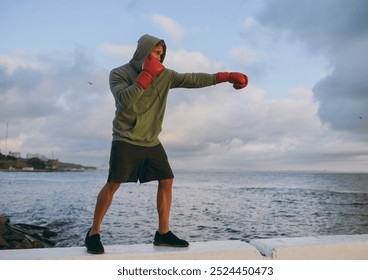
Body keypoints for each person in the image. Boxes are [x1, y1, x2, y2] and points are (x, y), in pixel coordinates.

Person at [85, 34, 248, 254]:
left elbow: (193, 79)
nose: (159, 57)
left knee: (167, 179)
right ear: (143, 51)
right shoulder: (119, 73)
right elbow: (125, 101)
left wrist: (226, 76)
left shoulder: (165, 75)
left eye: (161, 54)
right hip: (125, 137)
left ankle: (162, 233)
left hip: (151, 139)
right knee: (114, 183)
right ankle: (93, 232)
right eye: (155, 52)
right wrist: (145, 75)